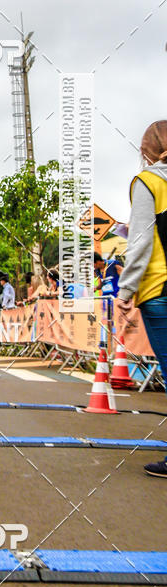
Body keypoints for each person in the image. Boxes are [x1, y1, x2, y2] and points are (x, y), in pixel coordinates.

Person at [114, 120, 167, 478]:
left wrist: (126, 290)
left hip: (160, 288)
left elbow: (141, 240)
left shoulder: (148, 181)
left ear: (145, 150)